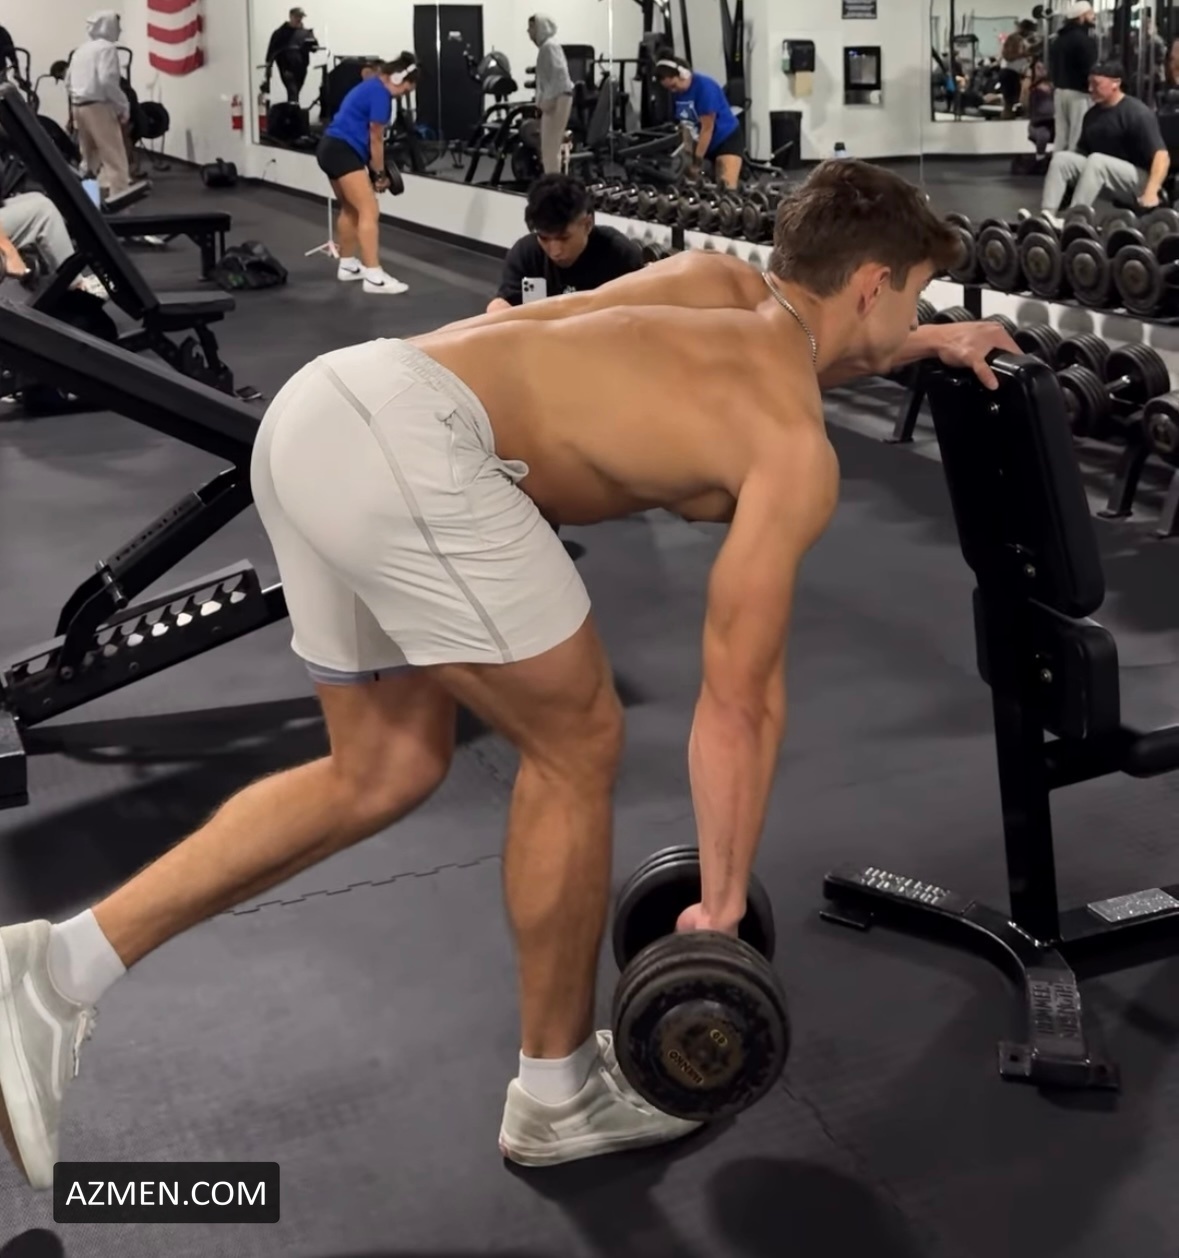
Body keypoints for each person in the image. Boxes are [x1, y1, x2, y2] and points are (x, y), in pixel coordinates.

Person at [0, 159, 1017, 1191]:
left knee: (380, 770)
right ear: (872, 284)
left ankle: (57, 967)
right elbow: (739, 700)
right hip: (416, 450)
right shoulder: (792, 452)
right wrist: (718, 907)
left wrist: (927, 341)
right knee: (578, 740)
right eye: (918, 296)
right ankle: (555, 1092)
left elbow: (804, 347)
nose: (919, 313)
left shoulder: (715, 285)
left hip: (331, 405)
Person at [315, 52, 418, 296]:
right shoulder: (381, 95)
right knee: (369, 210)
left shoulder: (370, 87)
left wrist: (373, 171)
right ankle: (374, 276)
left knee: (351, 209)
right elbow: (376, 138)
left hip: (329, 148)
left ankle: (348, 265)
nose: (402, 94)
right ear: (397, 78)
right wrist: (379, 174)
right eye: (405, 90)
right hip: (343, 151)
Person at [487, 174, 644, 313]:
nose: (555, 252)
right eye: (544, 238)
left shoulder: (620, 255)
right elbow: (505, 303)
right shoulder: (525, 255)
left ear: (587, 224)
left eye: (564, 238)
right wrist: (498, 310)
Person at [1040, 61, 1170, 222]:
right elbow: (1082, 154)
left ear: (1116, 83)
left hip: (1140, 182)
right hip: (1105, 176)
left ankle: (1073, 219)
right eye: (1089, 83)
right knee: (1062, 158)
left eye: (1096, 84)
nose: (1090, 89)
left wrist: (1151, 192)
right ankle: (1047, 216)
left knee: (1097, 161)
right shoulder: (1091, 116)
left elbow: (1162, 157)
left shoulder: (1137, 113)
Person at [65, 10, 140, 203]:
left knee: (88, 160)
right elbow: (107, 81)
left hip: (79, 107)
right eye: (117, 25)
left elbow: (68, 81)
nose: (120, 30)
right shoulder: (106, 49)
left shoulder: (81, 50)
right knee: (115, 159)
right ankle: (121, 203)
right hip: (99, 108)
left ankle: (90, 203)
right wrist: (123, 105)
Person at [654, 56, 743, 188]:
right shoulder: (677, 93)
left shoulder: (705, 87)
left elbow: (707, 128)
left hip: (725, 139)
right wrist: (688, 157)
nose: (673, 91)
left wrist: (697, 161)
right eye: (669, 89)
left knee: (726, 188)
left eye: (674, 86)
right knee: (692, 187)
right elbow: (685, 126)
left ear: (684, 74)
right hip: (702, 144)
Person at [528, 14, 573, 175]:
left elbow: (560, 76)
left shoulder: (549, 47)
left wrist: (548, 100)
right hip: (557, 99)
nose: (528, 32)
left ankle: (553, 182)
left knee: (550, 149)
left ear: (540, 28)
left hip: (557, 100)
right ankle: (553, 180)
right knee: (550, 149)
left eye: (531, 27)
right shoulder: (547, 47)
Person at [1049, 1, 1097, 150]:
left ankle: (1058, 162)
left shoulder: (1058, 40)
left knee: (1061, 136)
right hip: (1079, 94)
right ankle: (1072, 163)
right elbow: (1089, 68)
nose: (1093, 16)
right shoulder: (1085, 41)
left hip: (1059, 92)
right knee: (1077, 135)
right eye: (1090, 13)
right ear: (1081, 17)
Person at [265, 6, 317, 105]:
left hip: (301, 68)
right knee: (292, 90)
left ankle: (293, 110)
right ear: (290, 16)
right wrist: (268, 67)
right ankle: (293, 111)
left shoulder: (306, 33)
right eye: (297, 16)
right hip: (286, 68)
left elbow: (314, 49)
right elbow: (271, 51)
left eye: (301, 17)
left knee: (295, 92)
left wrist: (311, 43)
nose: (299, 19)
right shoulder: (280, 33)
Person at [999, 19, 1038, 119]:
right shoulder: (1014, 39)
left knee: (1015, 100)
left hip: (1017, 72)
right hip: (1010, 71)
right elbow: (1008, 55)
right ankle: (1007, 119)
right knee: (1009, 101)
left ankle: (1010, 116)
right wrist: (1025, 54)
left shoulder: (1024, 39)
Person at [1023, 58, 1055, 161]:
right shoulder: (1031, 88)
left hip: (1054, 123)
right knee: (1043, 134)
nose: (1041, 71)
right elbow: (1025, 105)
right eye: (1038, 68)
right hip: (1038, 125)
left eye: (1043, 68)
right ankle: (1040, 159)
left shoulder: (1055, 87)